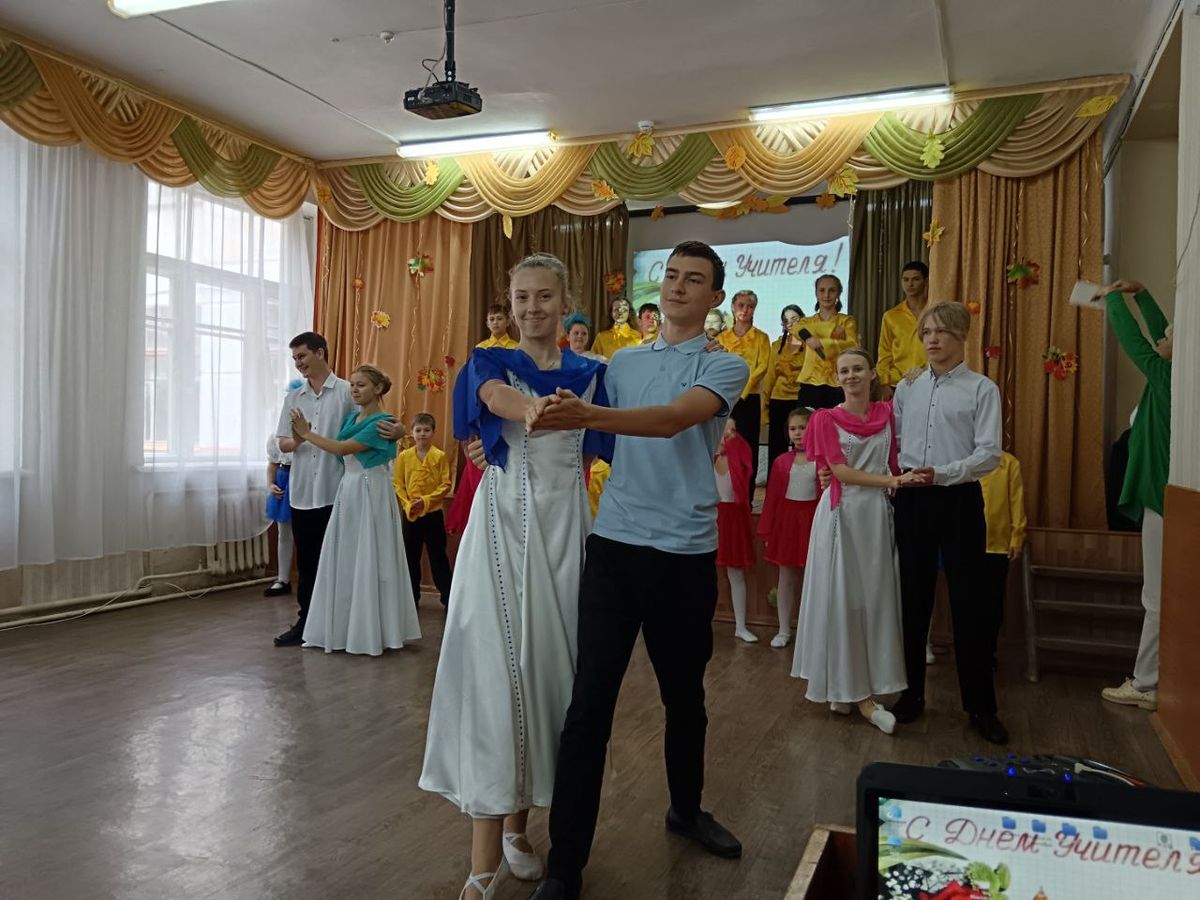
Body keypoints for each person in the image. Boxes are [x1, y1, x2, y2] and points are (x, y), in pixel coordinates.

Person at [524, 240, 750, 900]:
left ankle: (686, 810)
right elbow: (570, 412)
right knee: (588, 707)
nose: (677, 286)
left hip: (684, 554)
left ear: (714, 297)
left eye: (693, 280)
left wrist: (589, 413)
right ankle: (565, 865)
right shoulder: (621, 362)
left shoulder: (725, 365)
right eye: (671, 275)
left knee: (685, 700)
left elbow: (674, 421)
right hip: (615, 549)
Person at [419, 254, 613, 900]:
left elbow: (607, 443)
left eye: (544, 297)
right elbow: (493, 400)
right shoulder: (489, 363)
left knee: (548, 677)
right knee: (495, 677)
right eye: (522, 297)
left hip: (564, 535)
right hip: (500, 530)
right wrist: (530, 408)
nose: (532, 308)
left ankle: (517, 828)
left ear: (566, 301)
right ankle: (481, 865)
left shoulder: (593, 374)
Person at [890, 302, 1005, 744]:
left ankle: (981, 707)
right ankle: (911, 696)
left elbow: (988, 454)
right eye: (927, 332)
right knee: (911, 599)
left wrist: (943, 473)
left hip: (958, 498)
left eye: (941, 331)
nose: (932, 339)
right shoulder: (908, 387)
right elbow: (897, 438)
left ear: (962, 335)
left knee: (969, 603)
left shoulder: (982, 389)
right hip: (912, 499)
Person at [792, 349, 919, 733]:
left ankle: (852, 687)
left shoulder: (887, 415)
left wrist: (913, 377)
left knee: (874, 600)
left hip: (876, 517)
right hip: (842, 515)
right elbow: (840, 471)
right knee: (842, 600)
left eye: (857, 369)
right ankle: (854, 693)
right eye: (844, 371)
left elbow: (894, 460)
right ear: (836, 378)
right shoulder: (825, 418)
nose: (851, 376)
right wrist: (892, 482)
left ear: (872, 372)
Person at [272, 332, 404, 646]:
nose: (298, 363)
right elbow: (282, 444)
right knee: (307, 564)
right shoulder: (293, 398)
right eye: (294, 358)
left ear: (320, 353)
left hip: (339, 491)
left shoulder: (348, 390)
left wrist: (398, 430)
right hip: (304, 491)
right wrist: (299, 438)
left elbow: (373, 424)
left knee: (343, 561)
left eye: (302, 356)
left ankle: (344, 625)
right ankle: (307, 624)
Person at [289, 365, 421, 656]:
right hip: (349, 489)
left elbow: (341, 449)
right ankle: (346, 628)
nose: (354, 390)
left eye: (361, 384)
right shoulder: (351, 418)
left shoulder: (382, 422)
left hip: (369, 489)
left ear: (378, 388)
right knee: (348, 554)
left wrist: (306, 434)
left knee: (370, 553)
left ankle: (371, 631)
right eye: (352, 384)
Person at [1099, 279, 1172, 712]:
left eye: (1169, 338)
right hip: (1165, 496)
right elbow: (1163, 335)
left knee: (1156, 595)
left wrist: (1111, 296)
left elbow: (1135, 342)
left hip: (1163, 498)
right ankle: (1154, 679)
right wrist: (1142, 294)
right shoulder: (1174, 374)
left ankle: (1146, 682)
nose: (1163, 338)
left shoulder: (1167, 375)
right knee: (1162, 593)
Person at [758, 406, 819, 648]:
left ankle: (809, 630)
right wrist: (768, 530)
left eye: (803, 427)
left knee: (811, 579)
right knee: (786, 577)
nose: (797, 433)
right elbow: (772, 498)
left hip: (812, 523)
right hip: (787, 524)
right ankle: (783, 629)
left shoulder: (821, 460)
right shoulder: (782, 462)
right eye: (793, 428)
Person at [395, 412, 454, 609]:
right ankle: (411, 599)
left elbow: (445, 484)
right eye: (418, 430)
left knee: (438, 557)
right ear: (412, 432)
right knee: (410, 558)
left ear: (433, 432)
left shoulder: (440, 456)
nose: (422, 434)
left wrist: (426, 500)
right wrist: (408, 504)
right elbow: (398, 484)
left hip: (433, 515)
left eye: (426, 430)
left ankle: (448, 598)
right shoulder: (404, 457)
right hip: (411, 515)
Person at [717, 289, 771, 495]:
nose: (745, 310)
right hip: (725, 398)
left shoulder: (761, 337)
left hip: (749, 399)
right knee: (724, 444)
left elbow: (762, 367)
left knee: (748, 446)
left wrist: (743, 391)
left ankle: (746, 497)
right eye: (741, 305)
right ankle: (724, 493)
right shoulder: (722, 338)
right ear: (733, 307)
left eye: (750, 306)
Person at [977, 449, 1027, 667]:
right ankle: (970, 651)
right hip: (965, 544)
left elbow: (1017, 501)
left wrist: (1017, 537)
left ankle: (988, 651)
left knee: (993, 602)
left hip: (997, 545)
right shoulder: (963, 463)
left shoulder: (1008, 463)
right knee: (968, 602)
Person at [715, 418, 758, 643]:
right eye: (724, 431)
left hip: (733, 519)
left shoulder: (739, 456)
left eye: (732, 431)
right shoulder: (707, 458)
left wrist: (732, 447)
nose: (728, 436)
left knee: (736, 573)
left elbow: (744, 475)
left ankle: (740, 626)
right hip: (710, 517)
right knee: (702, 571)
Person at [793, 275, 859, 410]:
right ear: (816, 294)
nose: (826, 295)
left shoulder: (846, 321)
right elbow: (797, 329)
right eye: (822, 290)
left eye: (832, 290)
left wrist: (821, 342)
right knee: (809, 422)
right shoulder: (806, 322)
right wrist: (833, 337)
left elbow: (851, 344)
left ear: (839, 293)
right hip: (810, 384)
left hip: (838, 383)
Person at [763, 304, 805, 473]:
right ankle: (775, 480)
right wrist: (765, 402)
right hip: (778, 398)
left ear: (803, 320)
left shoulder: (811, 345)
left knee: (802, 443)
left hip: (801, 398)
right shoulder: (776, 345)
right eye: (786, 320)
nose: (790, 323)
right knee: (777, 444)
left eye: (794, 319)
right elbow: (770, 376)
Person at [877, 261, 929, 394]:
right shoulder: (891, 316)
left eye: (915, 279)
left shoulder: (934, 312)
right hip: (898, 382)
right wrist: (884, 383)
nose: (910, 284)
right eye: (906, 280)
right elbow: (884, 353)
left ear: (926, 281)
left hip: (929, 379)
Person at [263, 428, 295, 598]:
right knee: (284, 533)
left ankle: (313, 580)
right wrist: (270, 484)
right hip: (284, 479)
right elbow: (273, 464)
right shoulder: (276, 435)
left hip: (304, 477)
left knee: (308, 534)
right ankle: (283, 579)